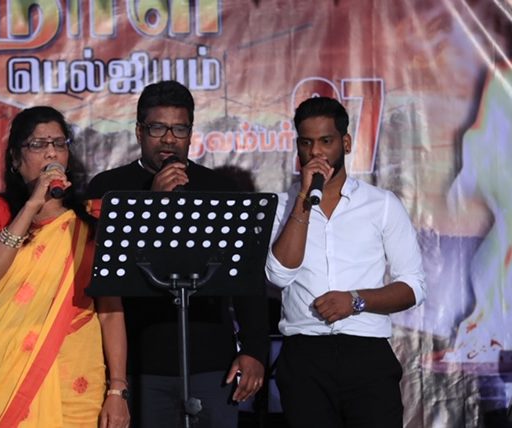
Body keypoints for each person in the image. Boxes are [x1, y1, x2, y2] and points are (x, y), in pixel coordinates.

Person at [87, 80, 269, 428]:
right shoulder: (108, 189)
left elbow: (248, 276)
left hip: (212, 362)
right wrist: (152, 203)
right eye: (158, 128)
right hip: (140, 363)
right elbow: (106, 277)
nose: (169, 139)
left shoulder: (220, 190)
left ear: (190, 133)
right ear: (139, 132)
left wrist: (254, 350)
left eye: (179, 129)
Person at [0, 106, 129, 428]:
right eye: (38, 145)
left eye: (59, 143)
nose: (51, 152)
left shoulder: (92, 222)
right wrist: (31, 206)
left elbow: (110, 311)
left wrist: (117, 390)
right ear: (15, 159)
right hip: (3, 375)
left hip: (75, 379)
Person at [265, 96, 426, 428]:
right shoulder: (282, 207)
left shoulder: (381, 204)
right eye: (306, 143)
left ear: (346, 143)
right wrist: (303, 200)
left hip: (366, 354)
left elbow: (414, 286)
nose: (316, 152)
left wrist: (355, 300)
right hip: (304, 355)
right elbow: (278, 276)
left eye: (326, 141)